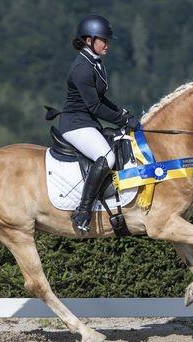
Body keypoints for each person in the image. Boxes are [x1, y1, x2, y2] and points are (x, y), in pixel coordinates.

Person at [58, 14, 140, 234]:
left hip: (87, 122)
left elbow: (100, 100)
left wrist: (121, 111)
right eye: (104, 39)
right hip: (75, 124)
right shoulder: (82, 68)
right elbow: (94, 107)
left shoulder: (95, 63)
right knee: (107, 157)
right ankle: (83, 211)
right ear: (89, 40)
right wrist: (122, 120)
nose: (108, 44)